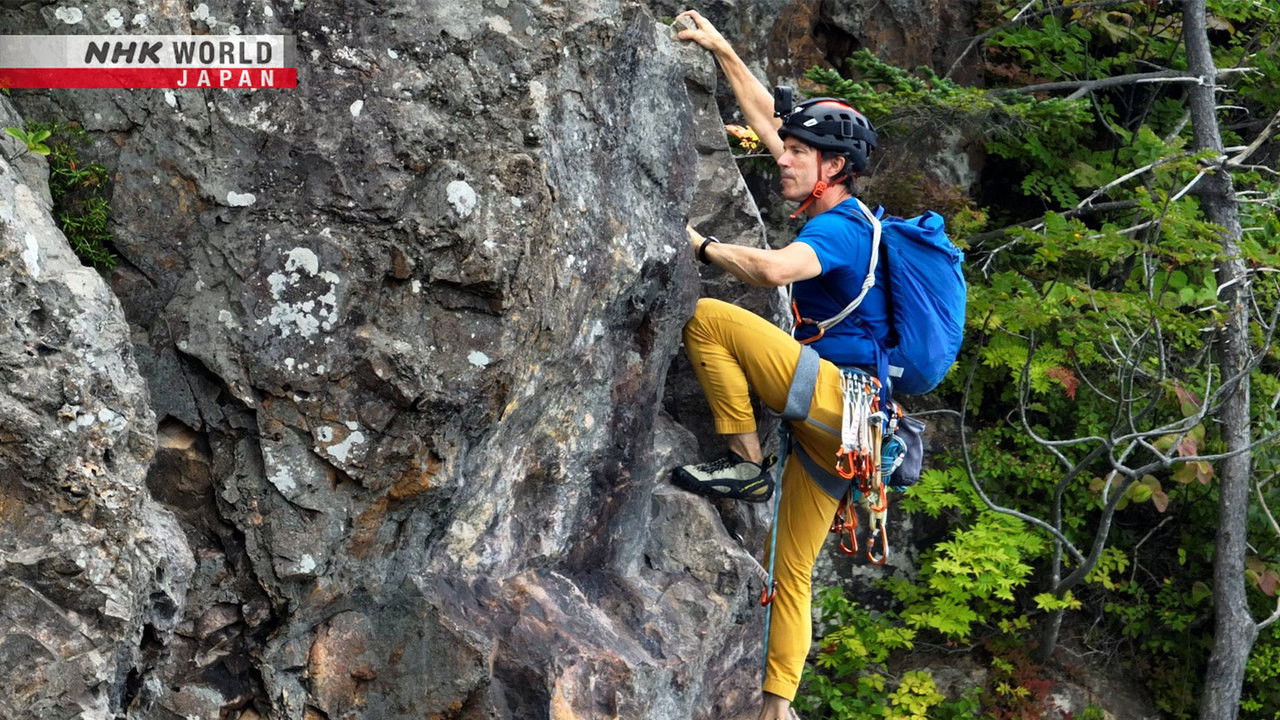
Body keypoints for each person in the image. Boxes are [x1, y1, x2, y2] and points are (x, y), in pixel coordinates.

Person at [671, 9, 891, 720]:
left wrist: (697, 246)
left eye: (800, 154)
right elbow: (771, 121)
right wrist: (723, 48)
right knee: (788, 570)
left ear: (833, 168)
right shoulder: (832, 199)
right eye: (787, 150)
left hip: (839, 398)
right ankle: (777, 710)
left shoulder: (840, 227)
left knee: (707, 318)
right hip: (856, 428)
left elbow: (769, 270)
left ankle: (745, 461)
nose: (783, 158)